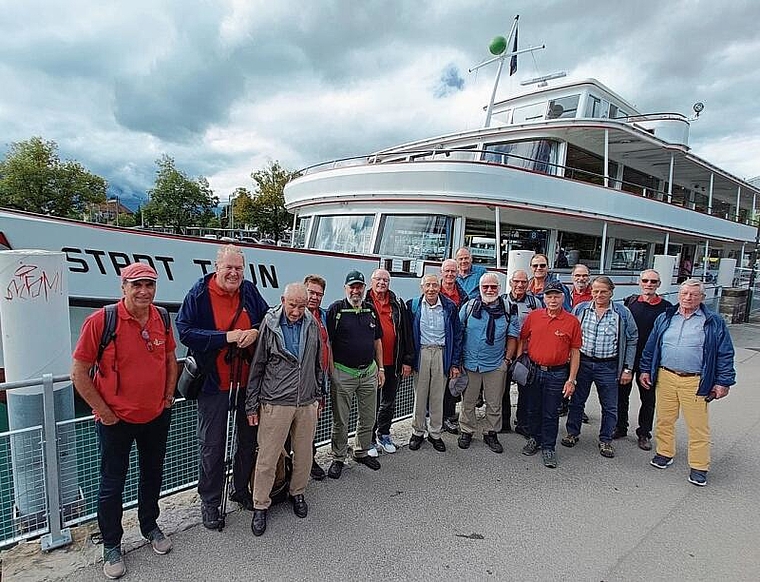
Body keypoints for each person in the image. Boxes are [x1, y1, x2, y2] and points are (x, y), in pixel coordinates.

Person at [71, 263, 177, 579]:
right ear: (124, 288)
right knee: (111, 484)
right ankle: (112, 545)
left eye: (149, 285)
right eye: (137, 285)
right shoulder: (101, 321)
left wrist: (168, 397)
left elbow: (170, 359)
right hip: (115, 420)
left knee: (152, 475)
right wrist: (104, 412)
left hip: (155, 416)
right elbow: (78, 372)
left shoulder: (162, 318)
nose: (144, 291)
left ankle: (149, 526)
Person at [175, 245, 269, 529]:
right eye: (228, 267)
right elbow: (185, 330)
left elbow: (267, 318)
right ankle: (211, 501)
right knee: (212, 444)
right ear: (217, 267)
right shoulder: (199, 294)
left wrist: (254, 331)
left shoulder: (249, 291)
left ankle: (240, 489)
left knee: (247, 440)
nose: (233, 273)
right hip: (213, 381)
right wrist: (225, 337)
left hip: (246, 380)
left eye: (238, 268)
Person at [640, 279, 736, 487]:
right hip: (665, 376)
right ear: (678, 295)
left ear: (702, 297)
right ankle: (664, 453)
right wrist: (645, 369)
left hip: (695, 380)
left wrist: (723, 382)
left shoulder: (713, 321)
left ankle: (699, 466)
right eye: (684, 294)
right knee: (664, 419)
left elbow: (725, 353)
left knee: (697, 426)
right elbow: (652, 345)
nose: (688, 298)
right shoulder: (666, 317)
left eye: (693, 294)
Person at [245, 283, 323, 536]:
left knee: (303, 454)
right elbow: (257, 366)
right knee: (267, 457)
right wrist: (251, 404)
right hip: (276, 401)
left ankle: (297, 492)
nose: (297, 311)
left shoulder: (311, 324)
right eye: (292, 305)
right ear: (283, 300)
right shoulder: (269, 324)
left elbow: (317, 362)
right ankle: (260, 504)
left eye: (301, 306)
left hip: (305, 401)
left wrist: (319, 396)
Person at [562, 276, 638, 459]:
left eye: (603, 291)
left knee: (610, 405)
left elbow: (632, 338)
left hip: (609, 365)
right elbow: (571, 335)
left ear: (611, 292)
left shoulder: (622, 312)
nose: (599, 295)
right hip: (584, 362)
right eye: (595, 291)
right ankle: (572, 433)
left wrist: (628, 368)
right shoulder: (581, 309)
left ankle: (605, 439)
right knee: (577, 401)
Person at [326, 270, 384, 478]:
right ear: (345, 288)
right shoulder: (336, 310)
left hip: (368, 371)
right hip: (343, 372)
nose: (356, 290)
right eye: (352, 287)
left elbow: (377, 341)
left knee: (368, 417)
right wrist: (331, 370)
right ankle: (338, 457)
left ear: (364, 288)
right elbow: (328, 343)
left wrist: (381, 368)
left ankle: (361, 451)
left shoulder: (370, 310)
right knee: (341, 420)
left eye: (359, 286)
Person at [518, 280, 581, 468]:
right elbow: (523, 338)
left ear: (563, 298)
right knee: (533, 409)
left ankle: (548, 447)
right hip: (535, 371)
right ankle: (534, 440)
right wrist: (521, 362)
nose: (553, 299)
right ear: (543, 298)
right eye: (549, 296)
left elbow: (576, 351)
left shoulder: (572, 321)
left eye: (556, 296)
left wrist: (571, 380)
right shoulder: (534, 316)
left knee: (550, 413)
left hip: (557, 374)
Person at [457, 273, 518, 453]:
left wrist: (506, 360)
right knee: (468, 401)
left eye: (493, 287)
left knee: (494, 402)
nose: (489, 290)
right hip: (471, 364)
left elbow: (513, 336)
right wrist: (457, 361)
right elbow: (459, 333)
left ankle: (490, 432)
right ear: (480, 288)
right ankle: (467, 430)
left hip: (495, 364)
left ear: (499, 288)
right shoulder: (469, 307)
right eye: (486, 287)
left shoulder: (508, 309)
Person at [613, 270, 672, 450]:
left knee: (648, 399)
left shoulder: (667, 307)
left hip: (650, 360)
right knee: (621, 395)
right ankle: (620, 427)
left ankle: (644, 433)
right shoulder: (630, 303)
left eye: (653, 281)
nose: (649, 284)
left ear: (659, 284)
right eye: (645, 280)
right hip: (628, 357)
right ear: (640, 283)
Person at [406, 274, 463, 452]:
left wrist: (455, 363)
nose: (431, 289)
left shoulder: (450, 307)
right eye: (427, 285)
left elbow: (458, 336)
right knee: (420, 395)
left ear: (439, 287)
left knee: (438, 396)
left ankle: (435, 433)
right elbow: (407, 335)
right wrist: (407, 360)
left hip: (441, 352)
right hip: (421, 353)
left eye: (434, 285)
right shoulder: (413, 306)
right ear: (421, 287)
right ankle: (417, 431)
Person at [364, 268, 414, 455]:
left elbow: (406, 332)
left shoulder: (397, 303)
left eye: (385, 280)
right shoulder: (364, 301)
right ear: (372, 281)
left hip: (394, 361)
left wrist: (407, 359)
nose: (382, 283)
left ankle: (383, 433)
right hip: (372, 364)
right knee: (371, 403)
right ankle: (367, 438)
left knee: (389, 402)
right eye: (378, 279)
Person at [501, 269, 543, 435]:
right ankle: (504, 422)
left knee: (525, 390)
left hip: (526, 355)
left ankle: (523, 423)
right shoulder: (501, 300)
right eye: (516, 281)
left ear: (528, 283)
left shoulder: (535, 303)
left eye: (523, 282)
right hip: (504, 353)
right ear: (510, 282)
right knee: (502, 390)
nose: (519, 285)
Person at [304, 274, 331, 480]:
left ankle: (309, 461)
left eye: (319, 294)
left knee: (313, 423)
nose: (314, 297)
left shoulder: (323, 316)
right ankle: (290, 468)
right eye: (311, 292)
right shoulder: (296, 315)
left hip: (321, 378)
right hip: (302, 380)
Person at [439, 259, 468, 433]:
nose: (450, 274)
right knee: (434, 383)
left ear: (457, 273)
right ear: (441, 272)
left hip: (454, 343)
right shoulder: (433, 290)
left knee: (451, 380)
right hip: (436, 343)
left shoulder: (463, 296)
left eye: (453, 271)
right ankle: (434, 416)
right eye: (447, 271)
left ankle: (448, 416)